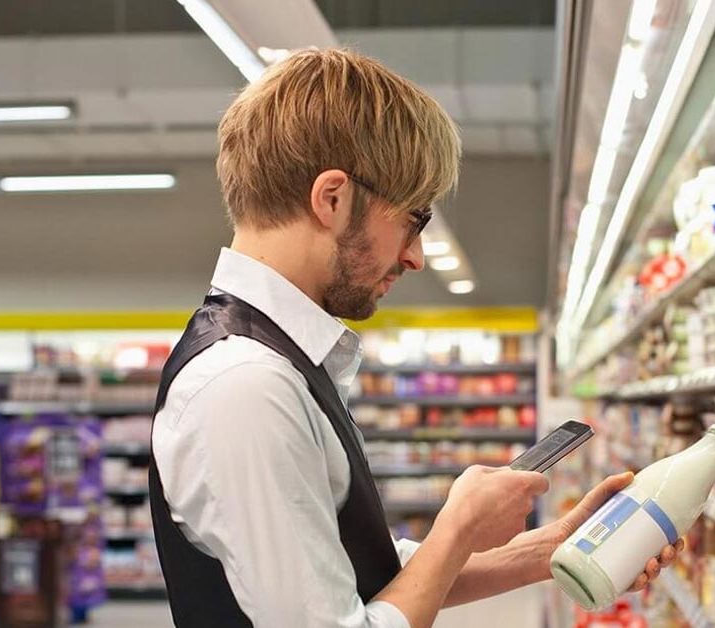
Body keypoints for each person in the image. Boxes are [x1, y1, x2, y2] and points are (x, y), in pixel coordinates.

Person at [148, 48, 681, 628]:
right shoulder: (246, 387)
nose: (416, 256)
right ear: (333, 198)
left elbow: (353, 574)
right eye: (414, 219)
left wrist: (550, 546)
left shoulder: (282, 362)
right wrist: (458, 529)